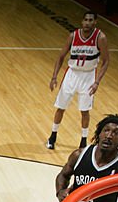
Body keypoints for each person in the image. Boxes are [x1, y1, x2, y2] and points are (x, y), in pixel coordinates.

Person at [45, 11, 110, 150]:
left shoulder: (100, 37)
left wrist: (97, 81)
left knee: (84, 110)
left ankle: (83, 141)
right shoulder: (73, 36)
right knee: (60, 107)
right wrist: (54, 77)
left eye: (90, 20)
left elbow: (106, 61)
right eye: (85, 19)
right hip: (72, 74)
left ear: (95, 22)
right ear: (82, 21)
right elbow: (61, 57)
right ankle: (53, 136)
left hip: (88, 76)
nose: (87, 22)